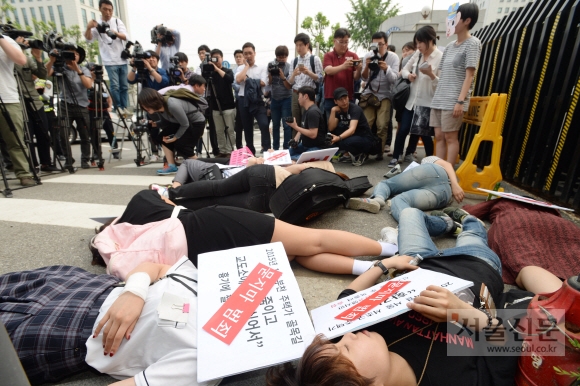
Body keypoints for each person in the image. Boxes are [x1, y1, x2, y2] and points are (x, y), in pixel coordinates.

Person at [266, 208, 564, 386]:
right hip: (478, 264)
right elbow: (538, 343)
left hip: (417, 261)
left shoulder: (366, 337)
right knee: (476, 231)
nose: (348, 337)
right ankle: (466, 222)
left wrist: (384, 265)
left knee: (408, 212)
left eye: (337, 341)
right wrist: (463, 314)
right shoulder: (454, 378)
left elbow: (349, 297)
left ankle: (445, 224)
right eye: (344, 351)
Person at [0, 259, 221, 386]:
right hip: (87, 283)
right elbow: (155, 267)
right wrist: (134, 292)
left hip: (67, 330)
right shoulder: (223, 283)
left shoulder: (213, 360)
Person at [92, 189, 400, 276]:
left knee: (293, 254)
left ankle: (374, 267)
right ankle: (389, 249)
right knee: (310, 240)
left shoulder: (115, 258)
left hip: (200, 262)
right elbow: (166, 200)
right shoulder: (135, 207)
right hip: (206, 224)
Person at [150, 157, 339, 213]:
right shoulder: (327, 190)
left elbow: (298, 169)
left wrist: (292, 164)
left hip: (267, 175)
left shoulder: (324, 166)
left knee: (219, 187)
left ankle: (171, 192)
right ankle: (175, 207)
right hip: (268, 202)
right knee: (216, 202)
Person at [431, 3, 481, 165]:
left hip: (454, 99)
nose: (452, 21)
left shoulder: (473, 43)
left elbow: (470, 75)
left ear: (467, 20)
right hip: (439, 97)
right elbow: (442, 73)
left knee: (450, 137)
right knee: (438, 136)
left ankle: (448, 172)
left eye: (456, 18)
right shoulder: (450, 46)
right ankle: (437, 172)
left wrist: (460, 101)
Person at [389, 26, 442, 169]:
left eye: (420, 42)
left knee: (425, 134)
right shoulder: (418, 53)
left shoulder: (439, 56)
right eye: (416, 42)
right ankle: (395, 157)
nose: (418, 46)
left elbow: (440, 83)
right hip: (411, 100)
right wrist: (409, 75)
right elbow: (404, 70)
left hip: (426, 102)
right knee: (403, 128)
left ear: (430, 40)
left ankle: (431, 162)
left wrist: (431, 74)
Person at [346, 155, 464, 220]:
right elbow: (448, 166)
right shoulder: (449, 193)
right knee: (400, 200)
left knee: (386, 184)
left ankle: (378, 199)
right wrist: (455, 185)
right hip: (444, 195)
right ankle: (409, 224)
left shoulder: (428, 159)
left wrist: (455, 185)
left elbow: (447, 165)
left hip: (431, 171)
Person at [137, 77, 208, 175]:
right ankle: (172, 166)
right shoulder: (159, 108)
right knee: (163, 137)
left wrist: (175, 137)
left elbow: (185, 124)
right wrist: (155, 124)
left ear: (151, 101)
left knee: (182, 146)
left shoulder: (171, 104)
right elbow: (166, 121)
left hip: (196, 123)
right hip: (182, 123)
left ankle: (206, 167)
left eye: (144, 105)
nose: (144, 108)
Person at [14, 36, 59, 172]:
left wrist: (38, 58)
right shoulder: (9, 59)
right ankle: (32, 165)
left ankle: (46, 163)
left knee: (43, 133)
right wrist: (16, 47)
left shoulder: (28, 60)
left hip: (35, 101)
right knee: (27, 135)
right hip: (18, 100)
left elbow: (42, 77)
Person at [46, 45, 94, 169]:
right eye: (69, 54)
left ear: (80, 56)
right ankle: (68, 159)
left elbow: (88, 85)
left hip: (81, 105)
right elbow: (46, 74)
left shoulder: (84, 69)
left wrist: (77, 69)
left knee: (84, 134)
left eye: (75, 54)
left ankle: (85, 159)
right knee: (63, 133)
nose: (73, 56)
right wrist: (52, 60)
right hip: (65, 104)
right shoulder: (60, 68)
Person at [84, 0, 130, 115]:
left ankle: (124, 107)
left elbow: (126, 37)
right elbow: (88, 40)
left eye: (110, 10)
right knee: (115, 86)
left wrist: (114, 33)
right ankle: (118, 107)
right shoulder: (97, 24)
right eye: (105, 9)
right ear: (100, 9)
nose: (108, 12)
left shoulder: (117, 21)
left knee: (124, 86)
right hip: (109, 60)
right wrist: (89, 28)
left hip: (122, 59)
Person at [0, 33, 34, 186]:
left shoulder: (7, 41)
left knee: (15, 139)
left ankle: (24, 174)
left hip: (7, 97)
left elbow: (21, 60)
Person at [360, 31, 399, 162]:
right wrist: (366, 66)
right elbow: (363, 77)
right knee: (367, 123)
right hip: (370, 94)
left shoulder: (393, 57)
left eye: (380, 44)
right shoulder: (368, 55)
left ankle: (379, 151)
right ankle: (364, 151)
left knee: (382, 125)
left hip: (385, 95)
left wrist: (386, 69)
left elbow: (394, 80)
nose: (377, 47)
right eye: (374, 44)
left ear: (386, 44)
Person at [235, 42, 270, 154]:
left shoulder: (262, 67)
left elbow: (263, 82)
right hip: (243, 99)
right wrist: (246, 67)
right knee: (247, 127)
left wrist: (248, 80)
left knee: (264, 124)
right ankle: (250, 152)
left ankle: (267, 149)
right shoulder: (240, 68)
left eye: (250, 53)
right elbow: (238, 80)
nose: (248, 56)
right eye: (245, 54)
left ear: (254, 53)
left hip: (258, 100)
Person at [328, 87, 376, 167]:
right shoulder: (337, 110)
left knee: (344, 141)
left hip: (365, 138)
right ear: (335, 101)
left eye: (345, 98)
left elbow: (352, 129)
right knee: (331, 137)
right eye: (341, 99)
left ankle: (361, 154)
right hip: (354, 137)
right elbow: (331, 128)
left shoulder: (355, 109)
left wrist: (339, 138)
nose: (344, 101)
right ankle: (349, 154)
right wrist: (333, 111)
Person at [287, 33, 323, 133]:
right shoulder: (294, 61)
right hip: (295, 93)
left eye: (300, 45)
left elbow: (320, 78)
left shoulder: (314, 59)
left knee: (307, 121)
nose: (298, 48)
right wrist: (294, 74)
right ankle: (295, 144)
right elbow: (290, 81)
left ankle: (306, 145)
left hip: (308, 94)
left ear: (307, 45)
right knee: (295, 121)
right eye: (296, 45)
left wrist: (309, 73)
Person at [322, 28, 361, 120]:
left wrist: (359, 69)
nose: (344, 45)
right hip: (331, 97)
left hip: (347, 97)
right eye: (341, 42)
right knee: (331, 126)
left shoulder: (353, 55)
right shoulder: (328, 55)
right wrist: (343, 66)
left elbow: (355, 77)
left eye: (346, 42)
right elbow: (328, 70)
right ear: (334, 41)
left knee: (346, 124)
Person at [208, 48, 236, 157]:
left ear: (222, 58)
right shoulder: (210, 73)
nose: (216, 60)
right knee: (219, 131)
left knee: (230, 130)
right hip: (215, 106)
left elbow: (230, 79)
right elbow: (204, 83)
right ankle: (222, 150)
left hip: (228, 106)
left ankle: (229, 151)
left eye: (217, 58)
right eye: (213, 59)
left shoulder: (227, 70)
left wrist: (217, 69)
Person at [286, 86, 326, 160]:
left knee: (293, 159)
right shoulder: (307, 110)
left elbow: (313, 134)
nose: (298, 99)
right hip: (305, 145)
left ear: (305, 96)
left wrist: (295, 126)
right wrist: (294, 141)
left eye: (299, 96)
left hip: (316, 147)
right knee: (285, 156)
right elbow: (302, 129)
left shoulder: (313, 112)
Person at [268, 45, 293, 150]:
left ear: (287, 56)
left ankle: (286, 148)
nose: (281, 59)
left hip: (286, 98)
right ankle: (275, 148)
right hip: (275, 98)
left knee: (286, 125)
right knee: (275, 125)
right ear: (276, 56)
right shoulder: (271, 64)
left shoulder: (289, 66)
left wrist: (283, 77)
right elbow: (269, 82)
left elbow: (289, 86)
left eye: (284, 57)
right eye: (279, 57)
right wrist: (270, 74)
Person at [233, 49, 244, 149]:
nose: (238, 58)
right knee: (239, 125)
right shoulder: (234, 70)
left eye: (240, 56)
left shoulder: (248, 68)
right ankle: (239, 145)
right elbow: (234, 84)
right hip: (239, 100)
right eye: (236, 57)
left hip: (250, 100)